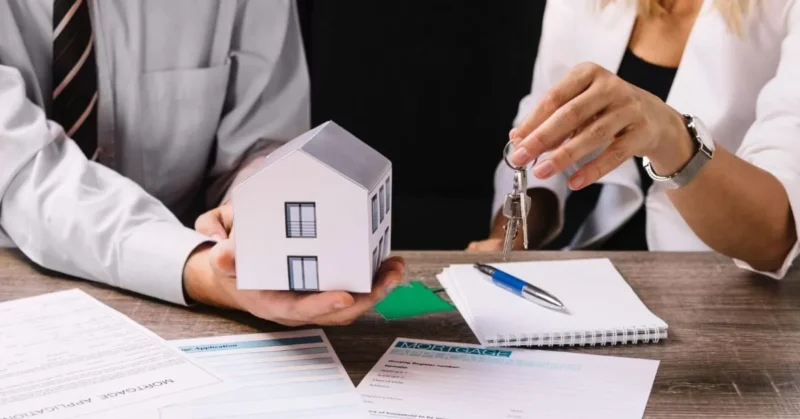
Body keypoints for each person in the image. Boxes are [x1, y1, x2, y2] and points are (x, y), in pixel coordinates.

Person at [0, 0, 404, 326]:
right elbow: (24, 178)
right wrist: (202, 270)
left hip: (194, 310)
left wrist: (252, 216)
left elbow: (262, 138)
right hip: (22, 289)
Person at [469, 0, 800, 278]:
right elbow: (544, 134)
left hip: (729, 287)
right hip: (600, 273)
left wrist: (671, 138)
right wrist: (507, 240)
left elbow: (775, 238)